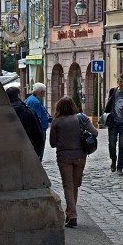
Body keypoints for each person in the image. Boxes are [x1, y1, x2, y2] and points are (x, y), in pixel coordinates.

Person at [49, 96, 97, 227]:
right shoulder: (81, 118)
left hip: (64, 157)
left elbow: (52, 143)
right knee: (74, 186)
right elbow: (95, 133)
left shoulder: (56, 121)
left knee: (68, 186)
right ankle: (71, 214)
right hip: (80, 156)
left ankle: (72, 215)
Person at [7, 86, 43, 158]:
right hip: (27, 151)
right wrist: (34, 153)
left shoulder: (0, 113)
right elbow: (38, 135)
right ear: (18, 95)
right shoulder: (29, 112)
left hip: (7, 153)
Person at [25, 82, 50, 160]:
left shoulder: (30, 99)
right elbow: (37, 118)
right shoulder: (35, 102)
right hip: (39, 130)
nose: (45, 94)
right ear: (41, 92)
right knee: (39, 152)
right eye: (44, 92)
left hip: (36, 130)